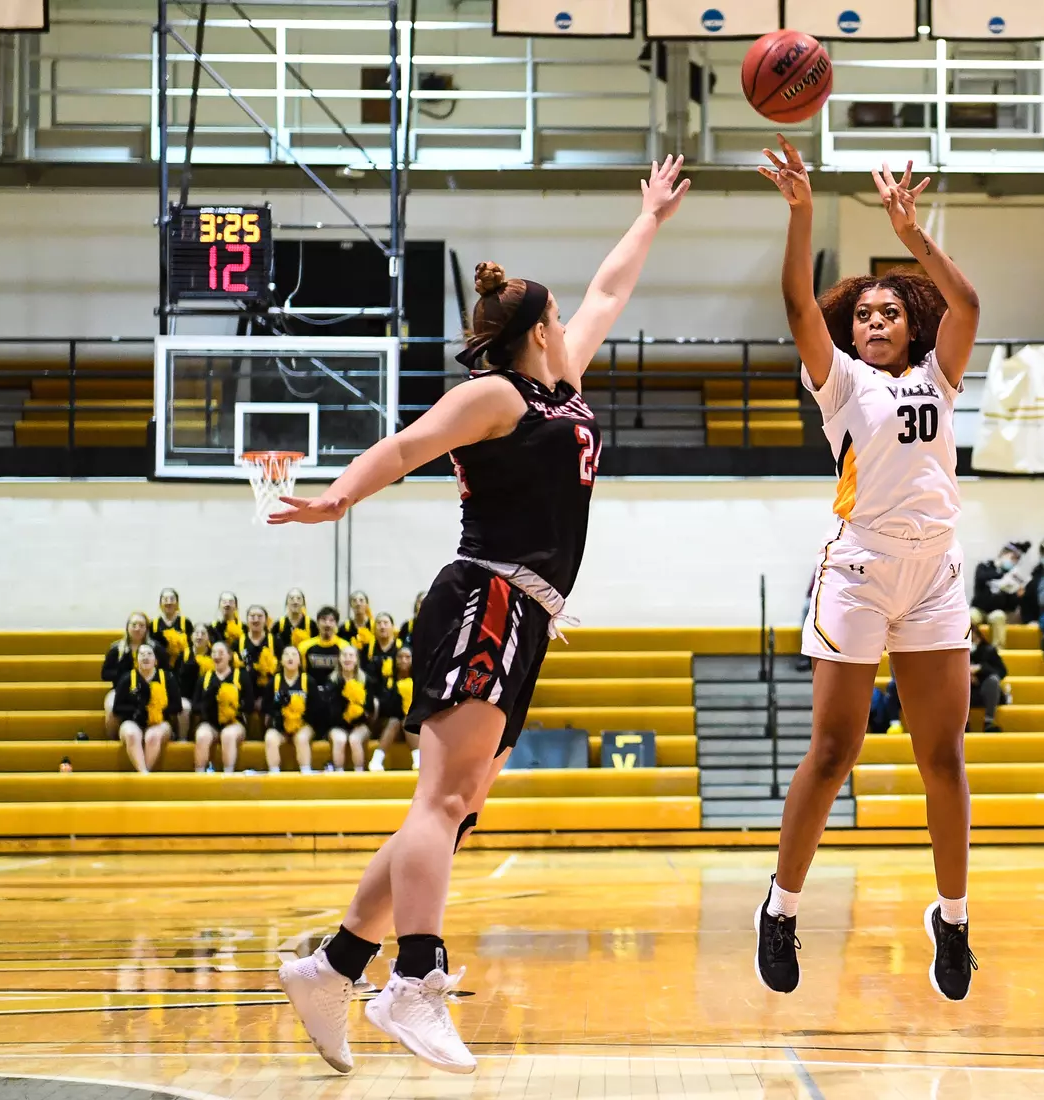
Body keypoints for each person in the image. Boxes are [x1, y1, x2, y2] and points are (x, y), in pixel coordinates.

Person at [273, 156, 689, 1076]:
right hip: (484, 595)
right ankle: (414, 980)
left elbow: (611, 287)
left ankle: (332, 965)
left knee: (450, 814)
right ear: (539, 329)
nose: (575, 325)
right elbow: (406, 443)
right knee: (444, 800)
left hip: (527, 614)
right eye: (561, 319)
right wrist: (336, 501)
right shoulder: (496, 395)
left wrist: (651, 216)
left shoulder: (560, 383)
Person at [757, 138, 980, 1003]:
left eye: (891, 312)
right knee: (832, 750)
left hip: (932, 574)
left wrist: (911, 232)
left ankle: (953, 922)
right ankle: (780, 908)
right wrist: (802, 211)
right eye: (865, 314)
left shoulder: (940, 375)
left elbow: (967, 301)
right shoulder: (841, 384)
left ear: (909, 326)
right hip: (857, 570)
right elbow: (794, 307)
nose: (876, 321)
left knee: (944, 759)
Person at [110, 643, 181, 773]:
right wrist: (138, 710)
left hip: (160, 722)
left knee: (152, 736)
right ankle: (144, 774)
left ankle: (144, 773)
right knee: (131, 734)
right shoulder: (127, 678)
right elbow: (117, 708)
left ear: (156, 660)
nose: (145, 657)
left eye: (149, 654)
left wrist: (156, 709)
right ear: (136, 661)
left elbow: (177, 706)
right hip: (133, 721)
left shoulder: (167, 677)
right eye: (141, 654)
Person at [102, 612, 161, 736]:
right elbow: (104, 674)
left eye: (141, 625)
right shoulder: (116, 649)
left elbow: (164, 671)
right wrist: (124, 675)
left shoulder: (155, 648)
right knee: (111, 706)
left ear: (146, 629)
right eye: (134, 625)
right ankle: (112, 739)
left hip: (150, 687)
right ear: (127, 627)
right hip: (120, 690)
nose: (137, 628)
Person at [193, 641, 247, 774]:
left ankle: (228, 776)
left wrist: (232, 704)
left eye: (221, 653)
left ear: (229, 656)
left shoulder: (241, 676)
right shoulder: (204, 678)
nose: (217, 656)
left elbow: (250, 705)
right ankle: (199, 776)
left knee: (228, 735)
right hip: (210, 723)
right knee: (202, 736)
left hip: (234, 722)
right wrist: (210, 701)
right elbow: (195, 706)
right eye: (214, 653)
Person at [326, 644, 376, 773]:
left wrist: (358, 715)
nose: (347, 659)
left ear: (356, 660)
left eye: (351, 655)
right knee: (340, 740)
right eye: (344, 655)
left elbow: (369, 708)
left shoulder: (366, 680)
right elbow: (330, 711)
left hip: (360, 724)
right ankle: (339, 774)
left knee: (354, 740)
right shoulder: (332, 681)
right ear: (339, 659)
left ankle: (359, 774)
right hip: (338, 725)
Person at [265, 645, 315, 775]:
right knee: (270, 738)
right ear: (281, 660)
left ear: (299, 661)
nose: (290, 657)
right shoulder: (273, 682)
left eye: (294, 655)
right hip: (280, 727)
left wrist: (297, 719)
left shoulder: (308, 681)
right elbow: (267, 708)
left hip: (303, 725)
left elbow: (317, 709)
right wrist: (278, 710)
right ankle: (275, 776)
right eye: (286, 654)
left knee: (302, 738)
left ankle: (306, 774)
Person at [970, 541, 1027, 648]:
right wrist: (1001, 576)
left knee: (999, 616)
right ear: (1004, 554)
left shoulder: (1013, 577)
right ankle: (973, 647)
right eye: (1012, 557)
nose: (1013, 562)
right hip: (979, 609)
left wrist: (1017, 596)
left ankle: (997, 653)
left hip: (997, 610)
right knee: (968, 617)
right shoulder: (985, 566)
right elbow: (981, 578)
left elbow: (1011, 606)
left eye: (1016, 560)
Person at [372, 647, 418, 772]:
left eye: (408, 657)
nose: (404, 660)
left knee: (408, 721)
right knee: (395, 721)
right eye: (400, 657)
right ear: (395, 660)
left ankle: (419, 761)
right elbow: (385, 708)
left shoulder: (420, 681)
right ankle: (376, 761)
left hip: (415, 727)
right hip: (392, 727)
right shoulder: (387, 681)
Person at [240, 605, 278, 731]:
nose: (256, 619)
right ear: (247, 620)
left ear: (266, 620)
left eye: (260, 616)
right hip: (245, 695)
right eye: (252, 616)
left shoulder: (275, 641)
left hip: (269, 694)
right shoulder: (238, 642)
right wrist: (250, 699)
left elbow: (280, 674)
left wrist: (265, 699)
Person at [177, 623, 214, 740]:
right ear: (191, 636)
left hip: (208, 696)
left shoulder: (214, 654)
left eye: (203, 634)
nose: (199, 637)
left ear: (208, 638)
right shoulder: (184, 655)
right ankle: (182, 738)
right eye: (196, 633)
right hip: (187, 695)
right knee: (184, 707)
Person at [968, 624, 1008, 733]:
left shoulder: (988, 650)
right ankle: (964, 724)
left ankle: (988, 722)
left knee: (993, 680)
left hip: (986, 692)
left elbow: (1002, 672)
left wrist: (980, 669)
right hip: (967, 692)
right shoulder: (956, 654)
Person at [153, 588, 194, 672]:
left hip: (182, 669)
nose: (169, 602)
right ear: (160, 603)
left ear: (177, 603)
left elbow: (192, 648)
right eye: (165, 599)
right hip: (160, 669)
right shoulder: (153, 625)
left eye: (172, 599)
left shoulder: (186, 623)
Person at [274, 588, 314, 655]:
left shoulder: (311, 624)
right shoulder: (279, 625)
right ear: (287, 602)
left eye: (299, 598)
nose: (295, 602)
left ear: (303, 602)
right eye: (291, 598)